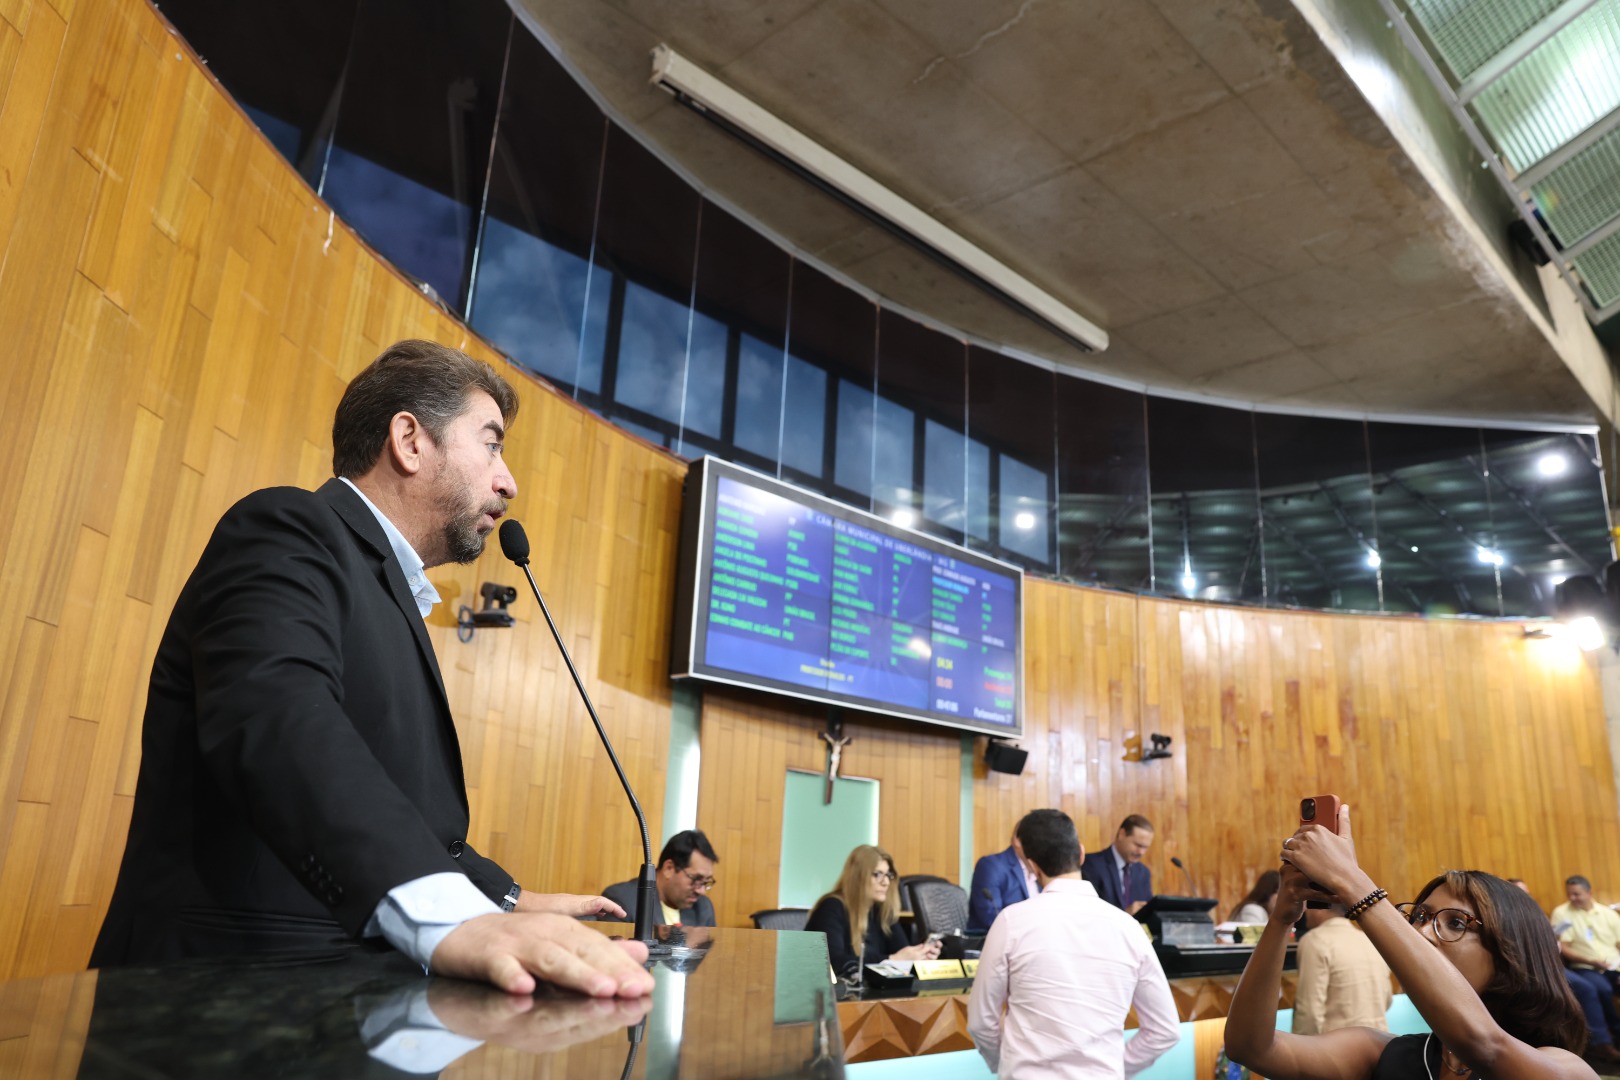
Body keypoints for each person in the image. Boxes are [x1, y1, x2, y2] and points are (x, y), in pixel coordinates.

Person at [90, 340, 653, 998]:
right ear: (409, 441)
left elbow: (401, 806)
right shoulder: (288, 528)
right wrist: (448, 916)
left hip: (330, 1004)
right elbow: (277, 719)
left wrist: (506, 899)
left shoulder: (390, 593)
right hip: (217, 1001)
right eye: (492, 445)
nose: (509, 482)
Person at [1226, 805, 1594, 1080]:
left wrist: (1352, 883)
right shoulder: (1384, 1053)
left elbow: (1487, 1047)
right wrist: (1282, 918)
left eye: (1455, 923)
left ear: (1511, 953)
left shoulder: (1566, 1067)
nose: (1420, 933)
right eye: (1418, 917)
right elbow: (1250, 1048)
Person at [968, 808, 1179, 1079]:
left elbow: (981, 1022)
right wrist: (1114, 1068)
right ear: (1080, 854)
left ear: (1032, 867)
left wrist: (1004, 1064)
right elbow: (1165, 1030)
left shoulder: (1011, 922)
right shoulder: (1128, 927)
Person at [1515, 877, 1620, 1063]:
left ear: (1589, 893)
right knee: (1597, 988)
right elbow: (1560, 947)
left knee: (1599, 986)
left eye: (1577, 894)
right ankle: (1604, 1042)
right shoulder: (1561, 913)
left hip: (1610, 964)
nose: (1572, 898)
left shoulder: (1607, 914)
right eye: (1569, 894)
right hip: (1577, 967)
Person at [805, 845, 941, 977]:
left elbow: (902, 954)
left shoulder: (882, 912)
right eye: (877, 874)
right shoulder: (831, 907)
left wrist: (920, 957)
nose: (886, 882)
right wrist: (892, 960)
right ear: (858, 877)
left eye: (888, 875)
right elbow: (833, 963)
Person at [1290, 900, 1392, 1034]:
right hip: (1380, 1039)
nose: (1305, 912)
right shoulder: (1369, 940)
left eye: (1307, 906)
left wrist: (1301, 1045)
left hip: (1338, 1042)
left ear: (1319, 908)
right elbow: (1387, 999)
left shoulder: (1315, 940)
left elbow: (1309, 1010)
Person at [599, 830, 719, 928]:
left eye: (706, 882)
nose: (701, 891)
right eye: (696, 879)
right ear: (669, 868)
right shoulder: (622, 901)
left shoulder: (703, 908)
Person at [968, 830, 1040, 934]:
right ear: (1017, 840)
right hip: (1000, 940)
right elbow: (991, 916)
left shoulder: (1041, 870)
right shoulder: (991, 866)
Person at [1081, 814, 1154, 914]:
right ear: (1122, 834)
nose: (1141, 852)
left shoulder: (1143, 873)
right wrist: (1126, 914)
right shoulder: (1091, 865)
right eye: (1138, 845)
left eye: (1145, 847)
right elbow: (1088, 912)